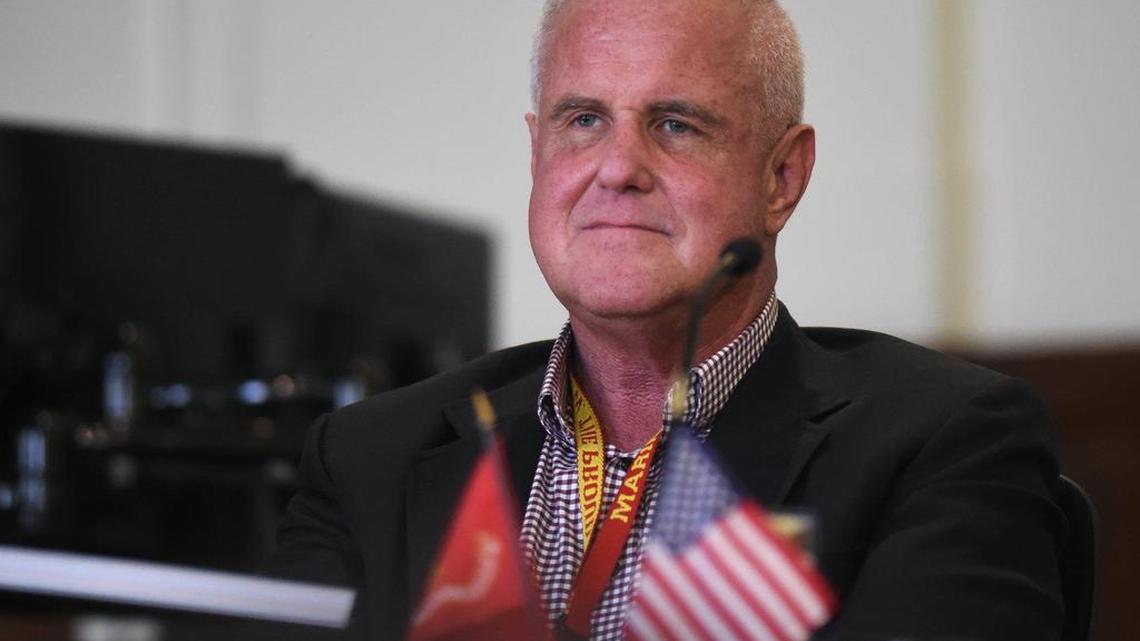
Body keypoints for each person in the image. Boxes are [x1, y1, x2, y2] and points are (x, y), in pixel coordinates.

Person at [266, 0, 1065, 639]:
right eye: (583, 120)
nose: (618, 168)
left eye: (676, 124)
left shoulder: (942, 444)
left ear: (782, 176)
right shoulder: (370, 457)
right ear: (536, 152)